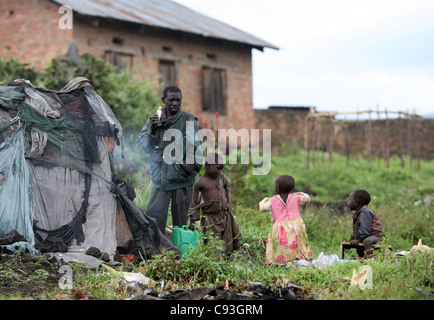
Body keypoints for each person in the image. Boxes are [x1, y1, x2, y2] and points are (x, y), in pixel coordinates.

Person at [136, 86, 203, 234]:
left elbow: (197, 149)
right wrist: (152, 130)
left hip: (182, 180)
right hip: (161, 179)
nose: (175, 103)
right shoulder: (154, 120)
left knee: (182, 225)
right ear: (163, 101)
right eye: (171, 100)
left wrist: (186, 168)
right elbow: (143, 145)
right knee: (153, 219)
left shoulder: (188, 119)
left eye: (178, 100)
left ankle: (183, 254)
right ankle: (155, 252)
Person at [188, 153, 242, 253]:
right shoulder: (200, 183)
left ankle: (226, 258)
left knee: (227, 239)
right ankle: (214, 261)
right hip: (210, 218)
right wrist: (193, 221)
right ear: (209, 166)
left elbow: (227, 188)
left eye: (221, 169)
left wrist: (229, 203)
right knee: (211, 241)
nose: (220, 171)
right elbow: (194, 202)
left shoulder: (220, 177)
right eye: (218, 168)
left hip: (224, 214)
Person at [259, 175, 311, 264]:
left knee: (280, 245)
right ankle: (298, 259)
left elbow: (262, 208)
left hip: (280, 227)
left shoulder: (273, 200)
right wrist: (296, 194)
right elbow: (307, 199)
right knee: (297, 243)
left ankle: (280, 261)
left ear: (278, 188)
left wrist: (266, 199)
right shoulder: (296, 197)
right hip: (296, 225)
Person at [348, 189, 385, 259]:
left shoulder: (365, 212)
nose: (348, 202)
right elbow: (357, 230)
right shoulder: (358, 214)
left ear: (356, 202)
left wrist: (358, 239)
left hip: (376, 236)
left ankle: (370, 258)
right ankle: (362, 257)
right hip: (367, 235)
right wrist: (352, 239)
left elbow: (365, 229)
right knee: (359, 245)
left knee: (367, 241)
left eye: (350, 200)